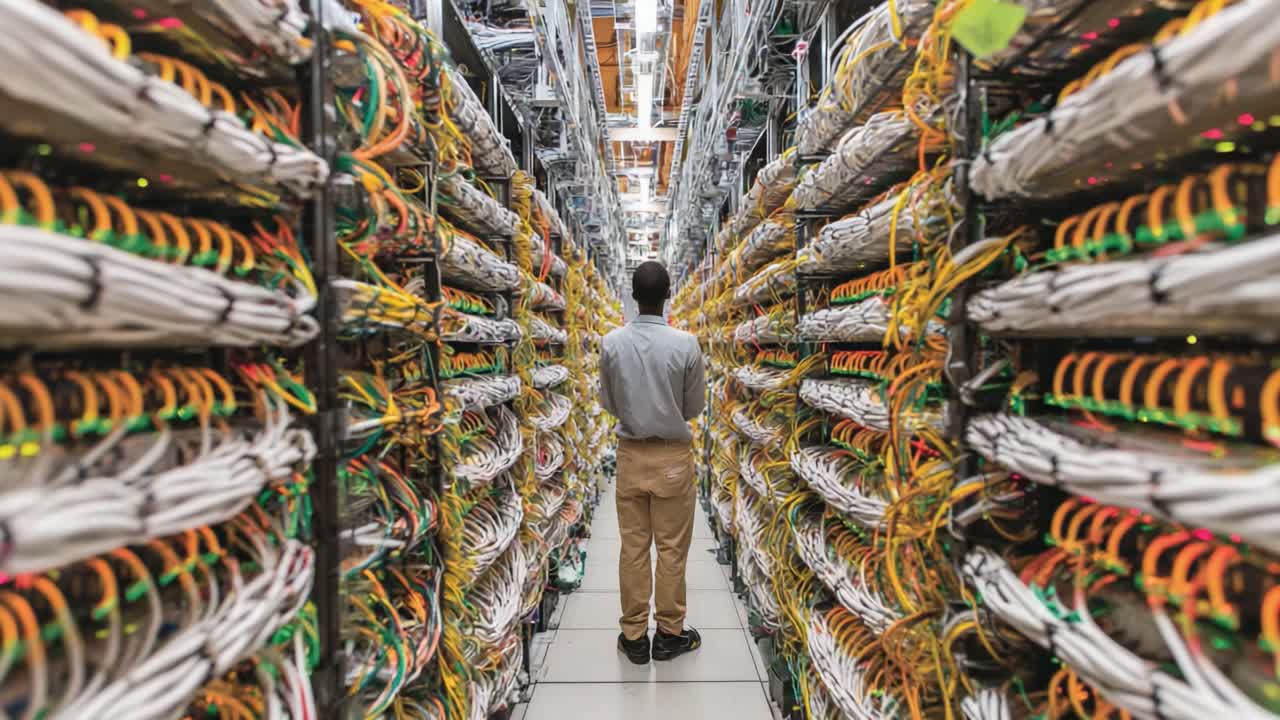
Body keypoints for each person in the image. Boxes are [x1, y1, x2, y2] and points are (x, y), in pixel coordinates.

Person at [599, 260, 707, 665]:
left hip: (631, 457)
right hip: (673, 459)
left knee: (633, 548)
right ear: (667, 295)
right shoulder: (686, 344)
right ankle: (668, 634)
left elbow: (608, 402)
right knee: (672, 549)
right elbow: (693, 406)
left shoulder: (612, 342)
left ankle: (633, 636)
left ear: (632, 294)